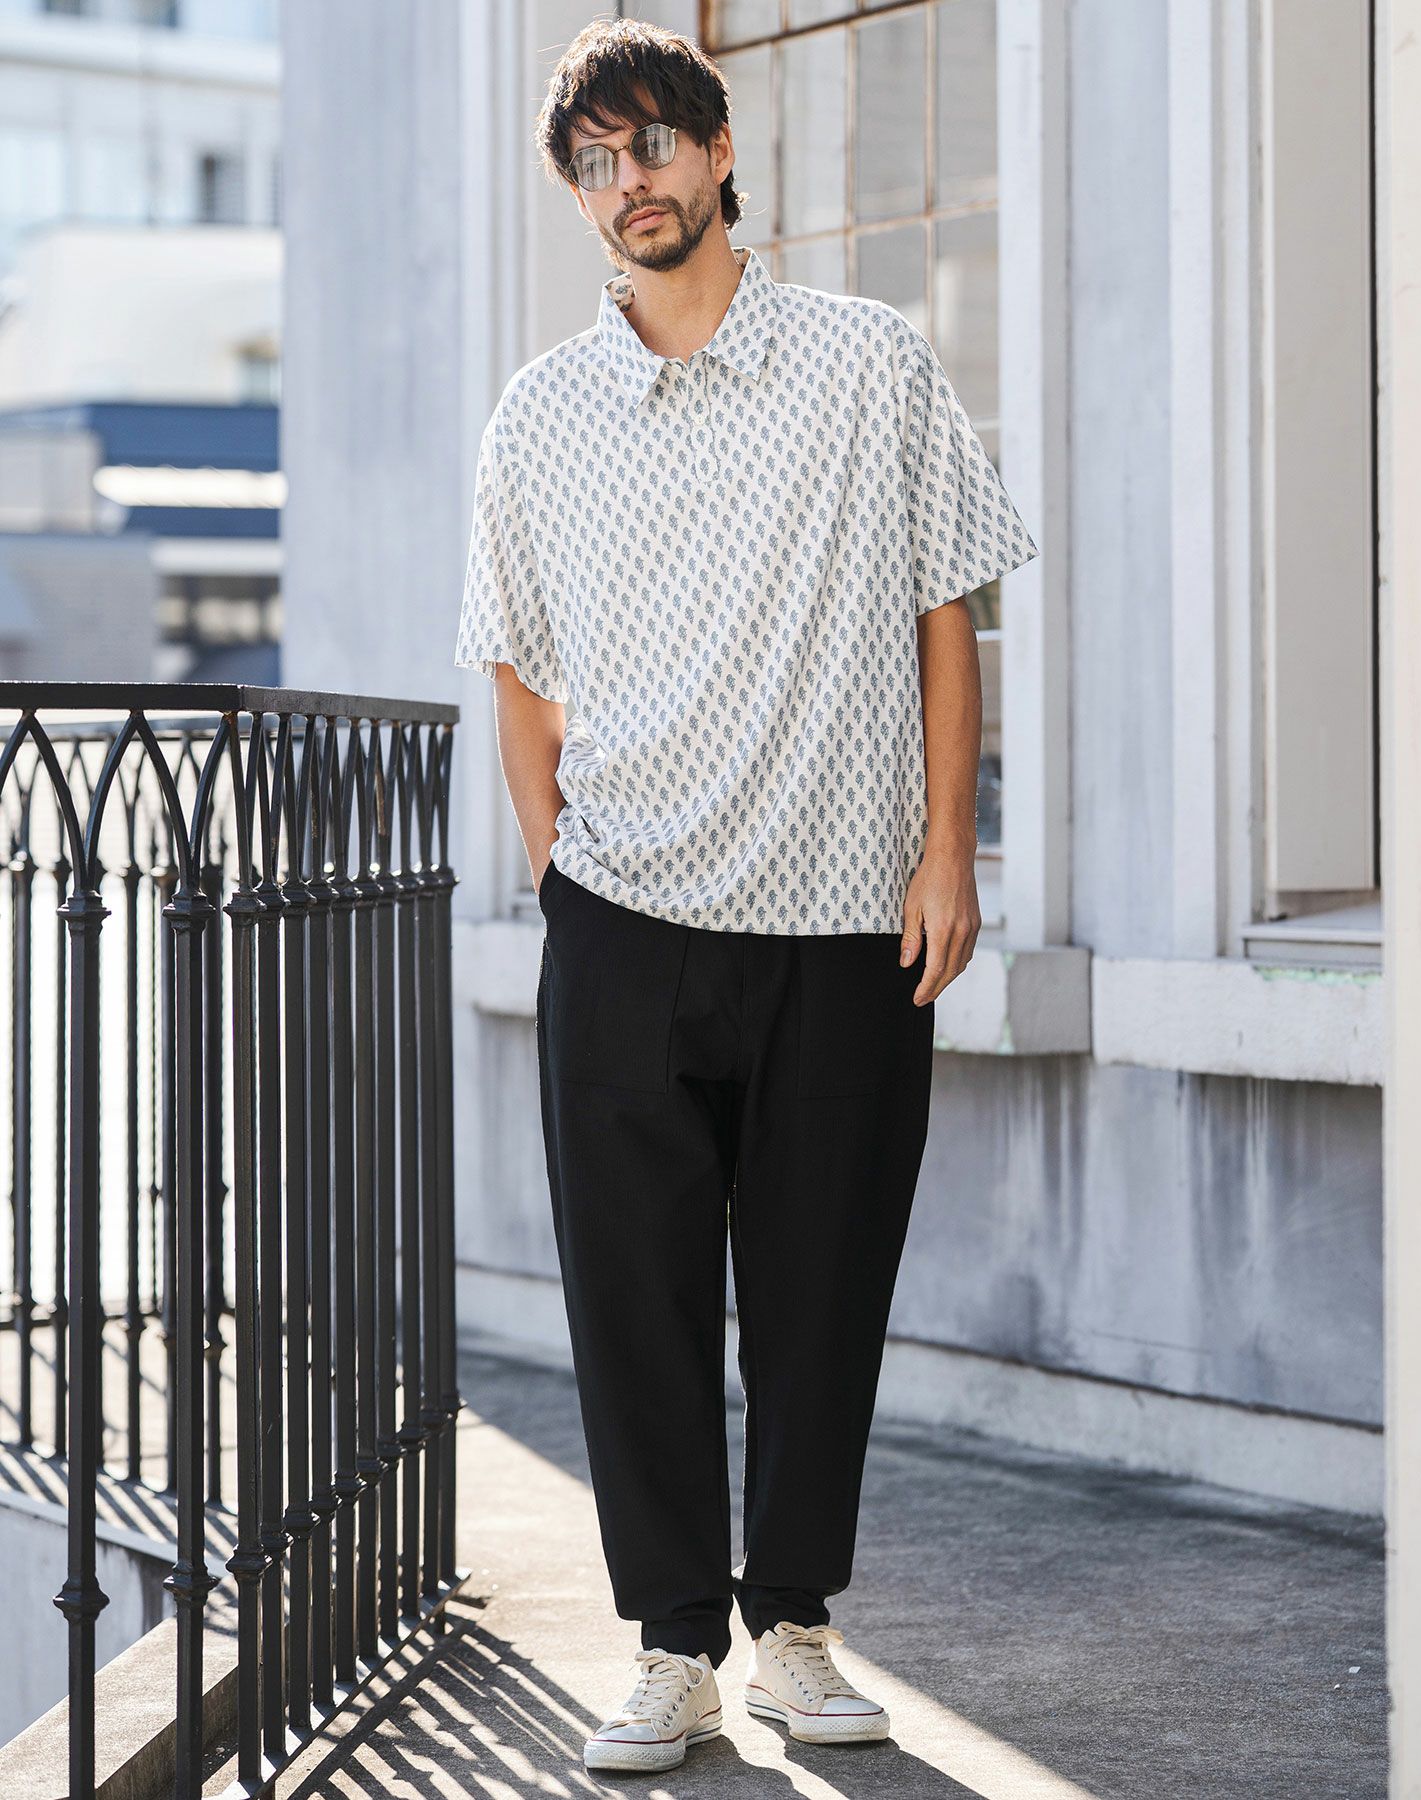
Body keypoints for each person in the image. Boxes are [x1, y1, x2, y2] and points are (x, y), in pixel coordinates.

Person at [454, 17, 1038, 1777]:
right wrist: (565, 879)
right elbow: (519, 670)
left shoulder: (871, 363)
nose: (628, 184)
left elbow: (949, 610)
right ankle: (668, 1650)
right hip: (625, 927)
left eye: (652, 145)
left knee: (819, 1293)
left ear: (719, 152)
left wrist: (948, 850)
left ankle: (791, 1629)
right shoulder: (539, 415)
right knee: (631, 1306)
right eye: (594, 162)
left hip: (846, 922)